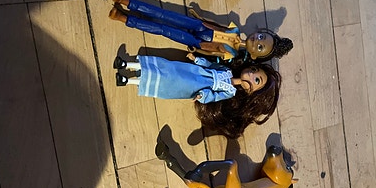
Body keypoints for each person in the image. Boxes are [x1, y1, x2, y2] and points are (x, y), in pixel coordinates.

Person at [113, 55, 281, 138]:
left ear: (252, 94)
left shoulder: (230, 92)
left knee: (168, 83)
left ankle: (127, 80)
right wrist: (198, 60)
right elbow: (211, 65)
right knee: (168, 68)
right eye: (254, 71)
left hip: (196, 85)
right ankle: (127, 64)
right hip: (195, 72)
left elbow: (214, 97)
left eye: (256, 80)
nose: (251, 75)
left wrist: (203, 95)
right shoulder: (227, 70)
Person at [109, 0, 293, 62]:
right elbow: (217, 25)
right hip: (200, 26)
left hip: (196, 41)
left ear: (254, 55)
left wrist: (196, 51)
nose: (256, 41)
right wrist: (200, 17)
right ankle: (127, 2)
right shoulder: (235, 29)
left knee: (163, 29)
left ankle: (124, 19)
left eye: (259, 47)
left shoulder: (231, 54)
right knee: (165, 15)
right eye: (261, 37)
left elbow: (212, 53)